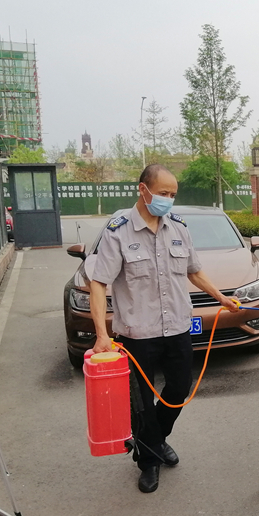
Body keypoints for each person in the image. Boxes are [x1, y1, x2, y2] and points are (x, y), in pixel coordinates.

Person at [89, 164, 239, 493]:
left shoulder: (179, 228)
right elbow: (99, 283)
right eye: (163, 193)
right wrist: (101, 334)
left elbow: (194, 271)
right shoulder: (118, 232)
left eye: (172, 195)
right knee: (142, 403)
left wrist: (221, 298)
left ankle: (153, 441)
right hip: (137, 334)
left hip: (177, 328)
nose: (168, 200)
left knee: (178, 390)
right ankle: (149, 460)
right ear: (142, 189)